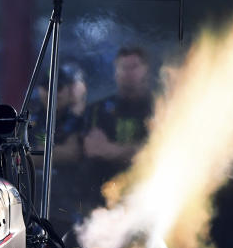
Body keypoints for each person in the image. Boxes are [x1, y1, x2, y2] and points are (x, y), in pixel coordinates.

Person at [82, 46, 153, 207]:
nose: (128, 73)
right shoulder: (98, 109)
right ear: (116, 70)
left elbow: (158, 151)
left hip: (146, 193)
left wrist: (109, 149)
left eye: (134, 67)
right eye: (124, 67)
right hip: (100, 195)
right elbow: (92, 149)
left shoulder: (159, 107)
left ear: (146, 70)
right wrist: (135, 151)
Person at [30, 61, 88, 224]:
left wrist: (40, 152)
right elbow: (22, 157)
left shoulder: (82, 116)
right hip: (38, 201)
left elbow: (73, 153)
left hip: (74, 201)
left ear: (72, 90)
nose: (52, 93)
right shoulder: (33, 118)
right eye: (46, 88)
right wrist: (55, 152)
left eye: (59, 87)